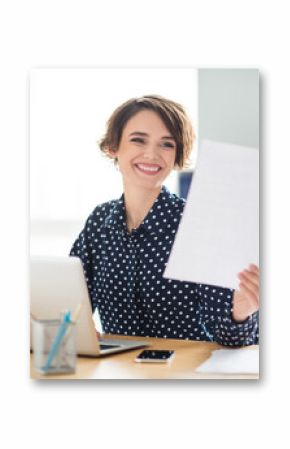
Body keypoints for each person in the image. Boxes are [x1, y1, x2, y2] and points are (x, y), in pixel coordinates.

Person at [70, 95, 259, 346]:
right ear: (113, 147)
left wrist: (241, 313)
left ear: (177, 155)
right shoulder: (99, 222)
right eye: (138, 140)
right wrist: (73, 326)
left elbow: (231, 339)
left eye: (167, 144)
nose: (151, 154)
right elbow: (69, 302)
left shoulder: (199, 225)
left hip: (184, 375)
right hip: (116, 372)